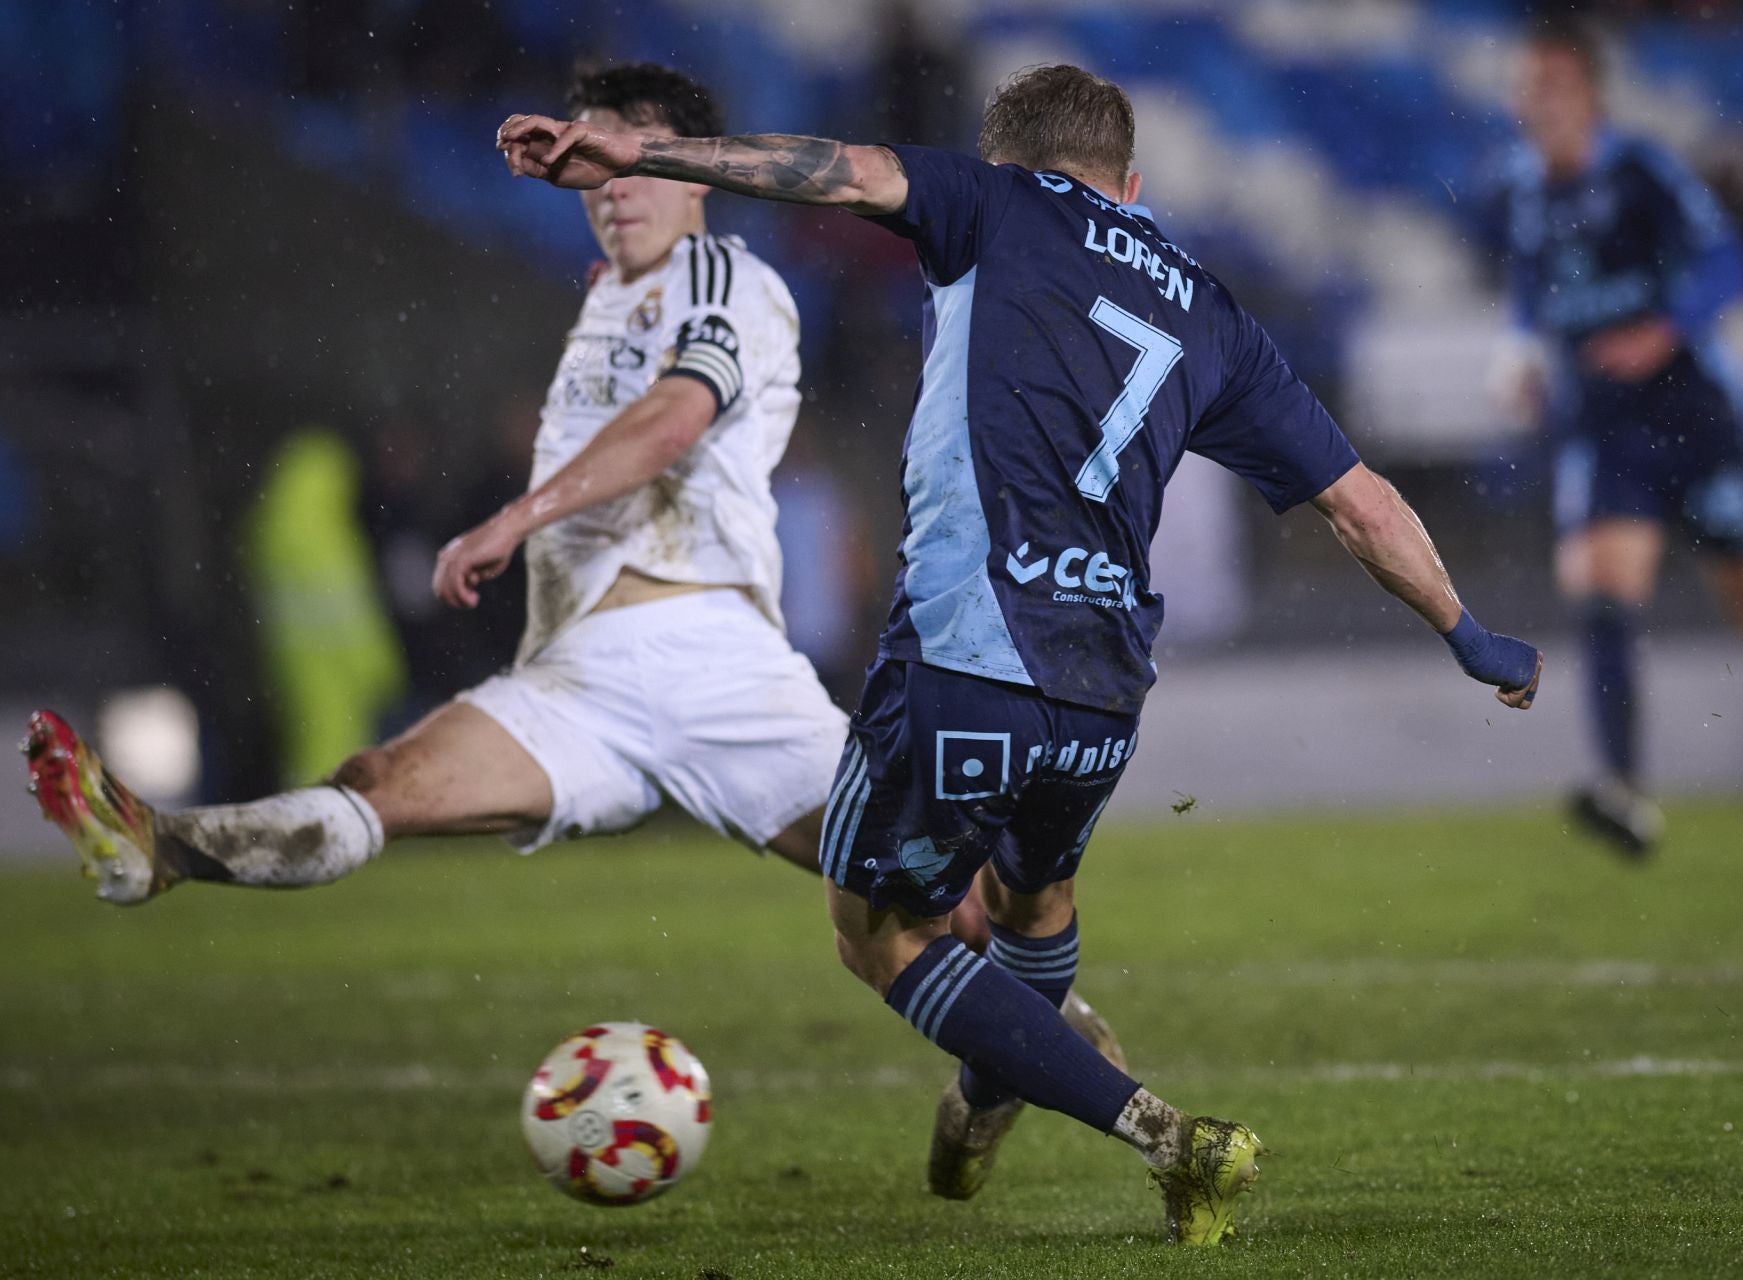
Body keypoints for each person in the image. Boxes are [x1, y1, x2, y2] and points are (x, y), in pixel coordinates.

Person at [498, 62, 1543, 1245]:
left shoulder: (996, 204)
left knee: (881, 929)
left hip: (966, 656)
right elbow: (1362, 504)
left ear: (1005, 159)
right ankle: (989, 1092)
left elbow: (831, 173)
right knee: (1035, 895)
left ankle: (1167, 1135)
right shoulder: (1209, 310)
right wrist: (1468, 632)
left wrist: (639, 153)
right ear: (1133, 184)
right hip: (1104, 689)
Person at [26, 66, 872, 912]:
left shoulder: (725, 278)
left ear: (694, 171)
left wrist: (516, 518)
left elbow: (675, 419)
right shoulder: (606, 309)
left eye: (632, 162)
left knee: (922, 902)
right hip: (580, 684)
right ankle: (162, 847)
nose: (610, 190)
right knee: (381, 779)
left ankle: (1004, 957)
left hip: (710, 663)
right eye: (589, 168)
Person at [1483, 22, 1743, 856]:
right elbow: (1526, 291)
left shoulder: (1642, 170)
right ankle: (1624, 789)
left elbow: (1726, 261)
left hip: (1690, 414)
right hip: (1603, 425)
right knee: (1601, 594)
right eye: (1527, 87)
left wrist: (1662, 330)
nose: (1536, 103)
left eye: (1552, 85)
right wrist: (1518, 356)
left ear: (1590, 96)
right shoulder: (1516, 189)